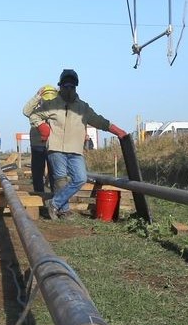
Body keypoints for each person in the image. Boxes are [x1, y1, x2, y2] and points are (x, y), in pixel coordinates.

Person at [27, 69, 128, 219]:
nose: (68, 89)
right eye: (65, 86)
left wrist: (117, 131)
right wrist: (41, 126)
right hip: (56, 148)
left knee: (80, 178)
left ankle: (54, 203)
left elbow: (99, 121)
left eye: (72, 86)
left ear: (76, 87)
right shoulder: (52, 104)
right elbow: (33, 114)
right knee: (60, 180)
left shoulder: (83, 107)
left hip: (75, 150)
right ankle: (64, 211)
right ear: (60, 86)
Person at [22, 85, 59, 194]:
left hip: (53, 144)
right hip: (38, 144)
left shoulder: (58, 108)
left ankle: (55, 197)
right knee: (37, 172)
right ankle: (39, 195)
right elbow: (25, 111)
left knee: (54, 173)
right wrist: (37, 96)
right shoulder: (36, 109)